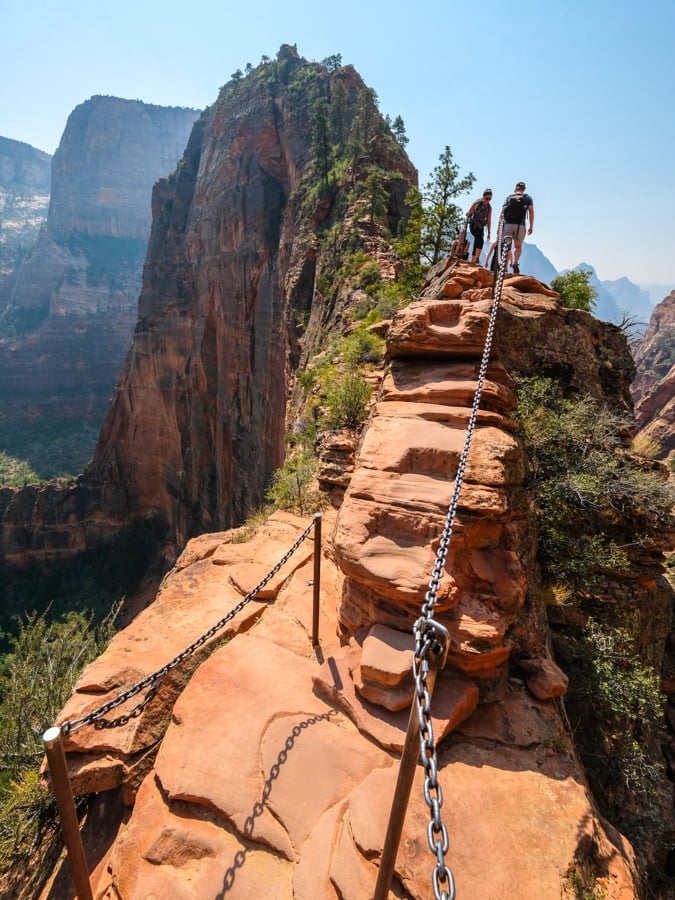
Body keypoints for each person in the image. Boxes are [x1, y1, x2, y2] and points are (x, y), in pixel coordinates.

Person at [500, 181, 534, 274]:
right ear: (524, 189)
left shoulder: (509, 197)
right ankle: (515, 262)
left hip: (507, 225)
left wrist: (499, 226)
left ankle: (504, 268)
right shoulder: (527, 198)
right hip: (520, 225)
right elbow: (531, 211)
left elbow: (502, 211)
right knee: (518, 247)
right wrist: (531, 226)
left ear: (515, 188)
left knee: (506, 246)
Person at [466, 189, 492, 264]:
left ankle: (473, 260)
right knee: (480, 239)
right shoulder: (477, 203)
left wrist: (489, 232)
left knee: (478, 241)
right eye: (487, 198)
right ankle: (477, 258)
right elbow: (469, 211)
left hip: (481, 227)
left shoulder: (489, 208)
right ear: (483, 197)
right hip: (473, 225)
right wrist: (468, 213)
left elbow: (488, 221)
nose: (488, 200)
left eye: (490, 199)